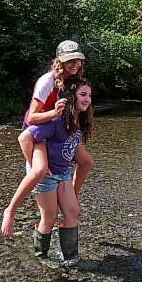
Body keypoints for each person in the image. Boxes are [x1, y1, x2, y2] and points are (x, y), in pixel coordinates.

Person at [2, 78, 94, 266]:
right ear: (70, 98)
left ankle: (71, 258)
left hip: (64, 173)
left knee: (73, 213)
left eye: (90, 95)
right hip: (48, 177)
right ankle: (40, 256)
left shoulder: (77, 119)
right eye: (83, 95)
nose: (87, 99)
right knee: (49, 218)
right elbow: (24, 137)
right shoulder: (54, 121)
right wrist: (35, 166)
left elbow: (75, 151)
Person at [17, 40, 94, 206]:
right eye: (70, 60)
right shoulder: (47, 81)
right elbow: (31, 118)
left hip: (59, 128)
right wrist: (53, 113)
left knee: (86, 162)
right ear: (60, 60)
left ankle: (73, 196)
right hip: (37, 131)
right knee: (39, 169)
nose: (75, 64)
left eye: (78, 60)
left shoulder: (73, 80)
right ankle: (11, 210)